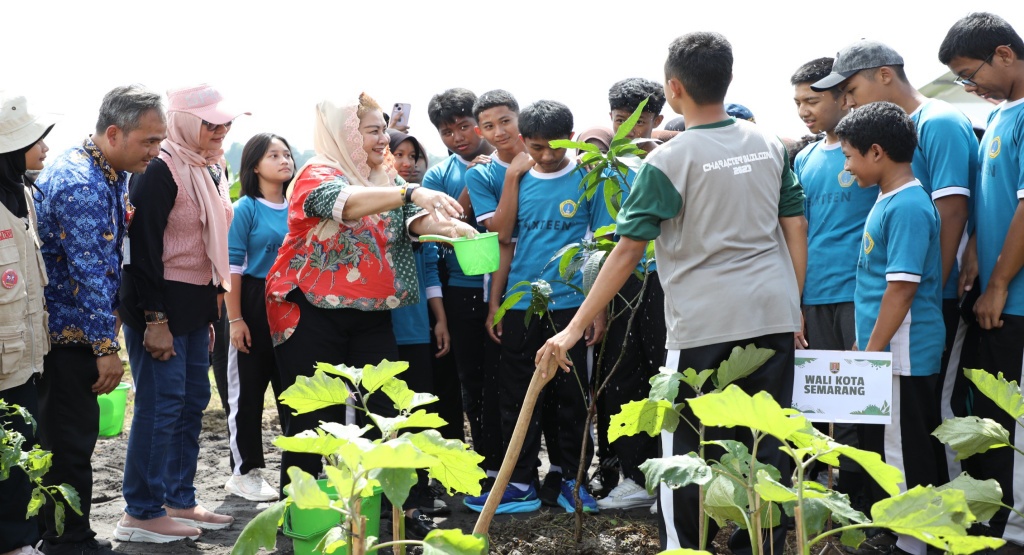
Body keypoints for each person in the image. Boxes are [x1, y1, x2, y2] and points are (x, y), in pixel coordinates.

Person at [536, 32, 805, 553]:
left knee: (685, 451)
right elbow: (794, 223)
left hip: (704, 324)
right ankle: (763, 544)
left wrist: (572, 329)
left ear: (674, 88)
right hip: (772, 312)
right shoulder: (770, 144)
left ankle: (687, 547)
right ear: (726, 80)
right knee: (765, 441)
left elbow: (627, 250)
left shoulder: (669, 160)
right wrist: (793, 300)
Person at [264, 93, 477, 500]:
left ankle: (382, 513)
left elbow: (413, 220)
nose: (384, 139)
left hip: (373, 312)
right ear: (344, 132)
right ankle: (302, 516)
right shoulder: (316, 172)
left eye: (384, 129)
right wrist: (411, 193)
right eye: (373, 130)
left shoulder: (385, 176)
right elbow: (344, 204)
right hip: (310, 311)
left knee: (383, 410)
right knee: (313, 418)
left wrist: (449, 228)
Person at [811, 40, 977, 485]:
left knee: (915, 435)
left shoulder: (937, 123)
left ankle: (921, 533)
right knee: (893, 437)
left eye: (850, 89)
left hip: (917, 317)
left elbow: (954, 211)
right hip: (900, 319)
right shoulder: (890, 186)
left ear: (884, 74)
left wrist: (929, 293)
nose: (846, 102)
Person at [34, 85, 167, 554]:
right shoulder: (80, 183)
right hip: (68, 339)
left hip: (81, 334)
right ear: (114, 133)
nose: (156, 151)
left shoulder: (106, 172)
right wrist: (106, 349)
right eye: (149, 141)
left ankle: (65, 536)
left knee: (70, 440)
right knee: (67, 445)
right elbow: (87, 274)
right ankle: (67, 541)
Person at [114, 83, 243, 543]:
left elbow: (211, 245)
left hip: (195, 304)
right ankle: (140, 512)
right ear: (185, 122)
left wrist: (208, 313)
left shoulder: (211, 166)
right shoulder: (159, 170)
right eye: (210, 122)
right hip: (160, 304)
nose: (221, 130)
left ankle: (178, 499)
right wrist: (155, 321)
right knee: (161, 406)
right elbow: (143, 252)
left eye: (226, 122)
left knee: (191, 403)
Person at [464, 99, 604, 515]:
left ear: (572, 138)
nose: (546, 156)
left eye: (555, 148)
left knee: (572, 396)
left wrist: (596, 309)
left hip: (571, 306)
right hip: (524, 302)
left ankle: (569, 481)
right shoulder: (517, 178)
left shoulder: (588, 177)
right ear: (525, 141)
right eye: (538, 148)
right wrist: (496, 305)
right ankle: (520, 483)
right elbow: (504, 242)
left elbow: (600, 244)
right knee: (518, 394)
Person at [836, 101, 945, 555]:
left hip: (903, 351)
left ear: (876, 152)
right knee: (890, 443)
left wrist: (872, 353)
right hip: (887, 348)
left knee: (904, 447)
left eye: (849, 155)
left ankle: (913, 543)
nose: (846, 166)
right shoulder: (888, 198)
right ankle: (901, 529)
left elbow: (901, 290)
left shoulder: (908, 206)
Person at [939, 12, 1024, 548]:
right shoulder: (997, 117)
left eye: (973, 73)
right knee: (981, 417)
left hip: (1013, 301)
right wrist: (971, 250)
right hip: (990, 295)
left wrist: (998, 285)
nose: (971, 87)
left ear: (1006, 54)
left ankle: (1011, 531)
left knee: (1011, 423)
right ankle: (990, 519)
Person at [790, 57, 876, 510]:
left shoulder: (867, 149)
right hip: (814, 293)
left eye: (813, 100)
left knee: (861, 401)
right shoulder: (803, 158)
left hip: (858, 294)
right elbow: (799, 229)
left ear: (842, 96)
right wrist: (796, 298)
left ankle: (860, 498)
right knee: (820, 401)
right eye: (798, 102)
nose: (804, 110)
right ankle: (824, 493)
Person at [593, 77, 667, 512]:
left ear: (657, 120)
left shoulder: (669, 161)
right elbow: (598, 241)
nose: (628, 132)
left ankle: (669, 479)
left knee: (664, 377)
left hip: (662, 278)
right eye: (620, 121)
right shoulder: (605, 168)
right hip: (620, 282)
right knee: (624, 378)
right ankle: (634, 477)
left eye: (638, 123)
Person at [422, 88, 499, 483]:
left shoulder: (509, 162)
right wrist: (474, 180)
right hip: (461, 286)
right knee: (471, 378)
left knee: (504, 375)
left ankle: (512, 462)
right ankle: (484, 460)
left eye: (465, 126)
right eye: (447, 132)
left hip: (507, 285)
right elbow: (450, 223)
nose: (458, 137)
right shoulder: (439, 175)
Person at [221, 133, 295, 502]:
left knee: (292, 391)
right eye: (273, 155)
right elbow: (232, 268)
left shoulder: (299, 205)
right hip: (251, 300)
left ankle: (298, 472)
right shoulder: (246, 208)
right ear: (254, 165)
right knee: (248, 393)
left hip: (291, 305)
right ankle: (244, 472)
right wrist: (235, 320)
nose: (284, 160)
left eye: (287, 154)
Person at [0, 92, 53, 555]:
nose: (43, 148)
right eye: (33, 141)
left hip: (22, 355)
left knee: (19, 450)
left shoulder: (22, 196)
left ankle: (17, 539)